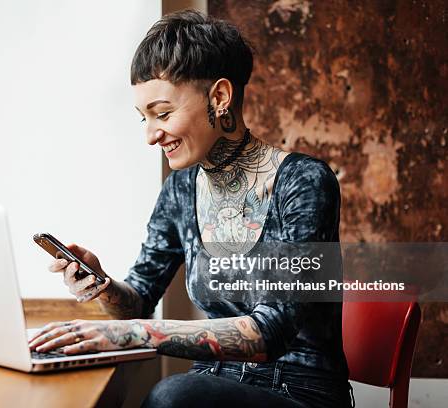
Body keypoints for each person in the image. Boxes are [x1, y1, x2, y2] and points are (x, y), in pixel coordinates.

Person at [28, 10, 354, 408]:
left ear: (219, 97)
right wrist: (103, 284)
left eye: (162, 114)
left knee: (172, 395)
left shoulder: (303, 182)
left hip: (300, 391)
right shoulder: (180, 189)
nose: (151, 135)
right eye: (144, 118)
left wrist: (132, 334)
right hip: (212, 383)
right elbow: (140, 299)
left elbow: (272, 331)